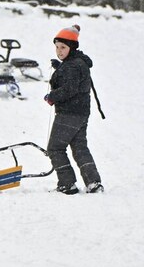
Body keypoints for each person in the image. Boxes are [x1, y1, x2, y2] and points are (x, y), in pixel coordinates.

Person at [44, 25, 104, 195]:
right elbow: (73, 78)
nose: (59, 51)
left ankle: (67, 183)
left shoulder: (72, 66)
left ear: (72, 47)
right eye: (56, 47)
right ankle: (93, 182)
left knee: (55, 148)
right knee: (79, 148)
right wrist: (59, 67)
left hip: (68, 113)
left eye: (63, 47)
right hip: (81, 113)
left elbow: (69, 88)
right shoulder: (76, 63)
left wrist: (52, 97)